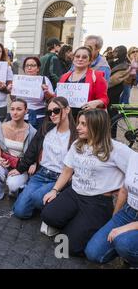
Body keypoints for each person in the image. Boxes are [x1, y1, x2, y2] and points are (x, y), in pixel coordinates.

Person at [41, 109, 134, 256]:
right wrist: (54, 190)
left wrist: (122, 186)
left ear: (97, 126)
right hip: (74, 192)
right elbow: (67, 170)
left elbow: (134, 168)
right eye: (79, 123)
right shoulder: (78, 144)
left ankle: (87, 227)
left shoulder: (116, 149)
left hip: (97, 201)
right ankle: (78, 223)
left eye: (84, 124)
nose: (78, 127)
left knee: (68, 247)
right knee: (48, 214)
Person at [12, 97, 77, 219]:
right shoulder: (47, 127)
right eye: (49, 112)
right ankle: (39, 200)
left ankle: (51, 203)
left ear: (67, 109)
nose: (52, 114)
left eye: (56, 111)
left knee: (37, 198)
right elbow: (32, 149)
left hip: (60, 178)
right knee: (19, 211)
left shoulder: (76, 135)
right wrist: (20, 168)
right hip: (41, 173)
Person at [85, 149, 138, 268]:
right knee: (93, 253)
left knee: (123, 242)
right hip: (128, 212)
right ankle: (128, 251)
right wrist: (115, 216)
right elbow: (124, 190)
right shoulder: (134, 157)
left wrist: (124, 229)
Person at [0, 98, 37, 199]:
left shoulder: (32, 132)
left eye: (19, 109)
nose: (15, 112)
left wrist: (34, 163)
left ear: (26, 111)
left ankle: (15, 190)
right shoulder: (0, 127)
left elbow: (35, 152)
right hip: (4, 163)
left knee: (13, 185)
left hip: (21, 166)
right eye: (12, 109)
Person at [59, 46, 109, 120]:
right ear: (73, 59)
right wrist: (48, 93)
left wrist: (96, 102)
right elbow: (58, 96)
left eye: (84, 57)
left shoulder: (96, 76)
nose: (80, 59)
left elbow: (104, 99)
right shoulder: (64, 76)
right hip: (65, 119)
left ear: (90, 61)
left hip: (86, 120)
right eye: (77, 56)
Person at [13, 56, 55, 130]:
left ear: (38, 68)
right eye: (27, 65)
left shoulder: (44, 80)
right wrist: (10, 90)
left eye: (33, 65)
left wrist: (46, 92)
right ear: (24, 68)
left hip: (39, 117)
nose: (29, 68)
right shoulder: (18, 80)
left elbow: (52, 99)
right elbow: (14, 99)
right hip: (20, 117)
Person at [108, 46, 130, 132]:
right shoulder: (114, 62)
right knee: (109, 111)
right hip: (111, 89)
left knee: (113, 112)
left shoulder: (124, 65)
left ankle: (112, 134)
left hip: (114, 90)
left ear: (121, 52)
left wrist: (102, 86)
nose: (114, 53)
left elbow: (113, 80)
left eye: (116, 51)